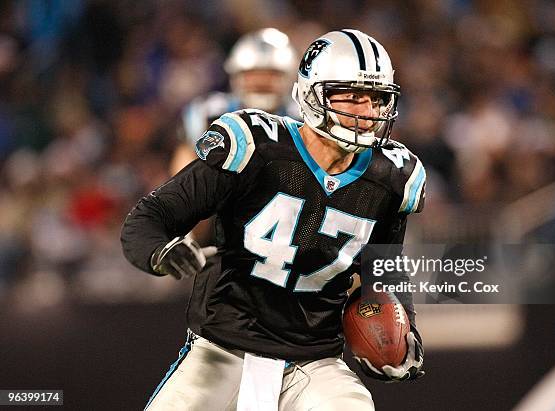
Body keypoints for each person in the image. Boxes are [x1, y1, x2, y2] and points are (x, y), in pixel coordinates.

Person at [121, 29, 426, 411]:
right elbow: (150, 216)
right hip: (221, 349)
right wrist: (160, 251)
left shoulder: (393, 176)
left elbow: (384, 266)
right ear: (313, 94)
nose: (366, 112)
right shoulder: (253, 146)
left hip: (315, 360)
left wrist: (405, 329)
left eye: (377, 99)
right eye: (350, 96)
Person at [170, 27, 300, 175]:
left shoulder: (302, 119)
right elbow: (182, 172)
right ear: (236, 77)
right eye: (252, 74)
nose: (260, 82)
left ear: (288, 77)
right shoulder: (208, 113)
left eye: (271, 74)